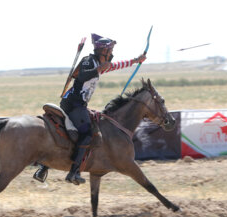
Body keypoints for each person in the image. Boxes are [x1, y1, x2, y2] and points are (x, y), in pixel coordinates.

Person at [34, 33, 147, 185]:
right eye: (109, 50)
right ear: (103, 51)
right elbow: (81, 77)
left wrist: (136, 60)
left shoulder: (99, 65)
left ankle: (43, 167)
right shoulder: (89, 61)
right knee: (87, 134)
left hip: (79, 104)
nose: (111, 54)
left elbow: (117, 65)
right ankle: (73, 172)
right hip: (73, 103)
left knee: (77, 130)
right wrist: (99, 68)